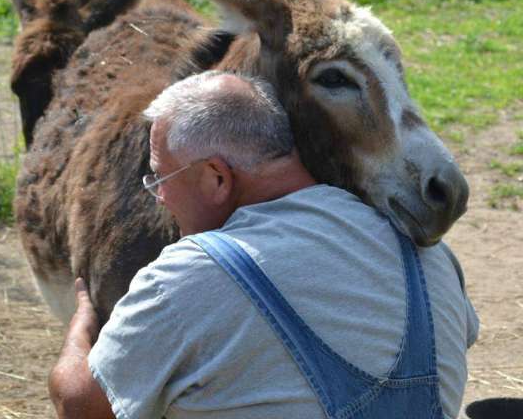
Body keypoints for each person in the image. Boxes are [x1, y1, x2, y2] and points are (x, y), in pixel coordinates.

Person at [49, 71, 478, 419]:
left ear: (216, 177)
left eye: (160, 179)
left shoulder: (187, 276)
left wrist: (80, 331)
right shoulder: (427, 253)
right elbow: (463, 336)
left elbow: (82, 408)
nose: (158, 197)